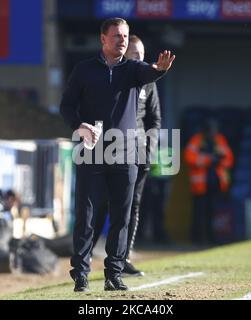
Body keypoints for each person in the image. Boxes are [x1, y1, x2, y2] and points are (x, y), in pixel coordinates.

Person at [60, 17, 175, 292]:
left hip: (126, 154)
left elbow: (151, 74)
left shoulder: (135, 70)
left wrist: (159, 69)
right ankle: (81, 274)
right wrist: (79, 125)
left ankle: (114, 274)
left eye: (125, 36)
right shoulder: (84, 70)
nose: (122, 40)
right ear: (103, 39)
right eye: (116, 36)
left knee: (122, 217)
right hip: (92, 152)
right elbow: (66, 106)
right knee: (87, 216)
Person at [91, 35, 162, 277]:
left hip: (138, 153)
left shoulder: (150, 82)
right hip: (110, 150)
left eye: (141, 55)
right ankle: (87, 253)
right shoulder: (113, 76)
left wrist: (149, 149)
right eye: (134, 55)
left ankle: (123, 258)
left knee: (132, 206)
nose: (139, 60)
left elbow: (154, 118)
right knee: (102, 203)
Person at [184, 119, 234, 245]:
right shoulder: (197, 140)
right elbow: (189, 158)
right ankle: (197, 238)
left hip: (216, 184)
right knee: (199, 213)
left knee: (213, 213)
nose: (213, 133)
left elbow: (229, 159)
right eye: (210, 130)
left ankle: (212, 238)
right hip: (200, 186)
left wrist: (218, 160)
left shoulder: (219, 140)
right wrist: (209, 159)